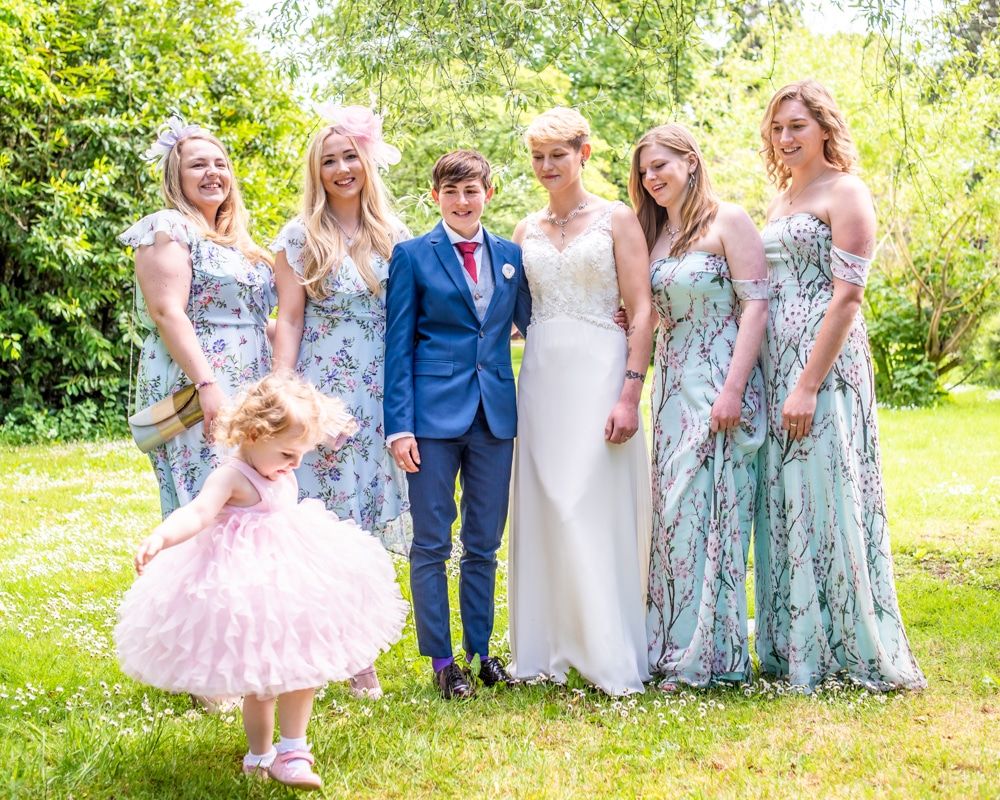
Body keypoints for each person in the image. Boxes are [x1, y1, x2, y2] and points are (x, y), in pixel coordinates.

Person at [115, 373, 408, 789]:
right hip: (248, 582)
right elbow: (198, 513)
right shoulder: (231, 476)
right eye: (289, 453)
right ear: (253, 435)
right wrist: (162, 537)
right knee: (260, 683)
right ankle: (259, 754)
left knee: (302, 665)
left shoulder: (276, 466)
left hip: (292, 574)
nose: (296, 464)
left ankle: (294, 750)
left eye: (300, 454)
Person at [754, 80, 925, 691]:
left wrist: (806, 385)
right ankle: (796, 642)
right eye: (777, 128)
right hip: (776, 366)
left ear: (825, 127)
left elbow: (848, 298)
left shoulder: (846, 191)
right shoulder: (780, 200)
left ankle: (850, 646)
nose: (785, 138)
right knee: (788, 499)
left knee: (829, 496)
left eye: (797, 125)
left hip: (821, 370)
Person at [508, 107, 655, 696]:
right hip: (542, 375)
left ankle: (606, 647)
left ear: (584, 154)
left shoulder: (617, 219)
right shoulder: (523, 231)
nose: (547, 167)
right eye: (538, 157)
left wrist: (630, 388)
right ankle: (545, 647)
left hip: (602, 372)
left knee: (589, 504)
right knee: (548, 502)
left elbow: (641, 308)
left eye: (558, 156)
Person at [272, 106, 411, 699]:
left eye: (349, 156)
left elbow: (418, 320)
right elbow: (290, 321)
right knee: (325, 523)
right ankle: (312, 650)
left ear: (367, 162)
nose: (341, 168)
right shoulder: (299, 239)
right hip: (323, 394)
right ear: (317, 171)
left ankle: (359, 657)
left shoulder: (396, 236)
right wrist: (283, 397)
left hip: (382, 395)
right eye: (328, 160)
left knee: (366, 527)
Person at [384, 150, 531, 699]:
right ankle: (444, 662)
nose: (462, 201)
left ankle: (480, 653)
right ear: (435, 197)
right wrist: (399, 426)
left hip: (494, 415)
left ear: (488, 193)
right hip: (430, 419)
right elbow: (397, 345)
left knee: (483, 543)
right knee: (430, 543)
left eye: (472, 191)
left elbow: (534, 322)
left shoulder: (511, 256)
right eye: (451, 192)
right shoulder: (413, 256)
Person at [629, 123, 768, 689]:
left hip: (720, 383)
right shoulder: (657, 234)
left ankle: (713, 652)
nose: (651, 177)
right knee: (675, 519)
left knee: (714, 517)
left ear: (690, 161)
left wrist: (733, 390)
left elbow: (756, 306)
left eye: (660, 165)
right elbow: (656, 307)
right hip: (671, 390)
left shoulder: (728, 221)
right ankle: (670, 643)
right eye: (643, 171)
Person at [119, 117, 274, 518]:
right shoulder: (168, 227)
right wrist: (207, 384)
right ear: (177, 176)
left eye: (220, 164)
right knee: (206, 494)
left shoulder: (236, 241)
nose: (213, 173)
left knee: (247, 493)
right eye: (198, 165)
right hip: (197, 380)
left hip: (248, 377)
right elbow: (167, 311)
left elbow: (253, 320)